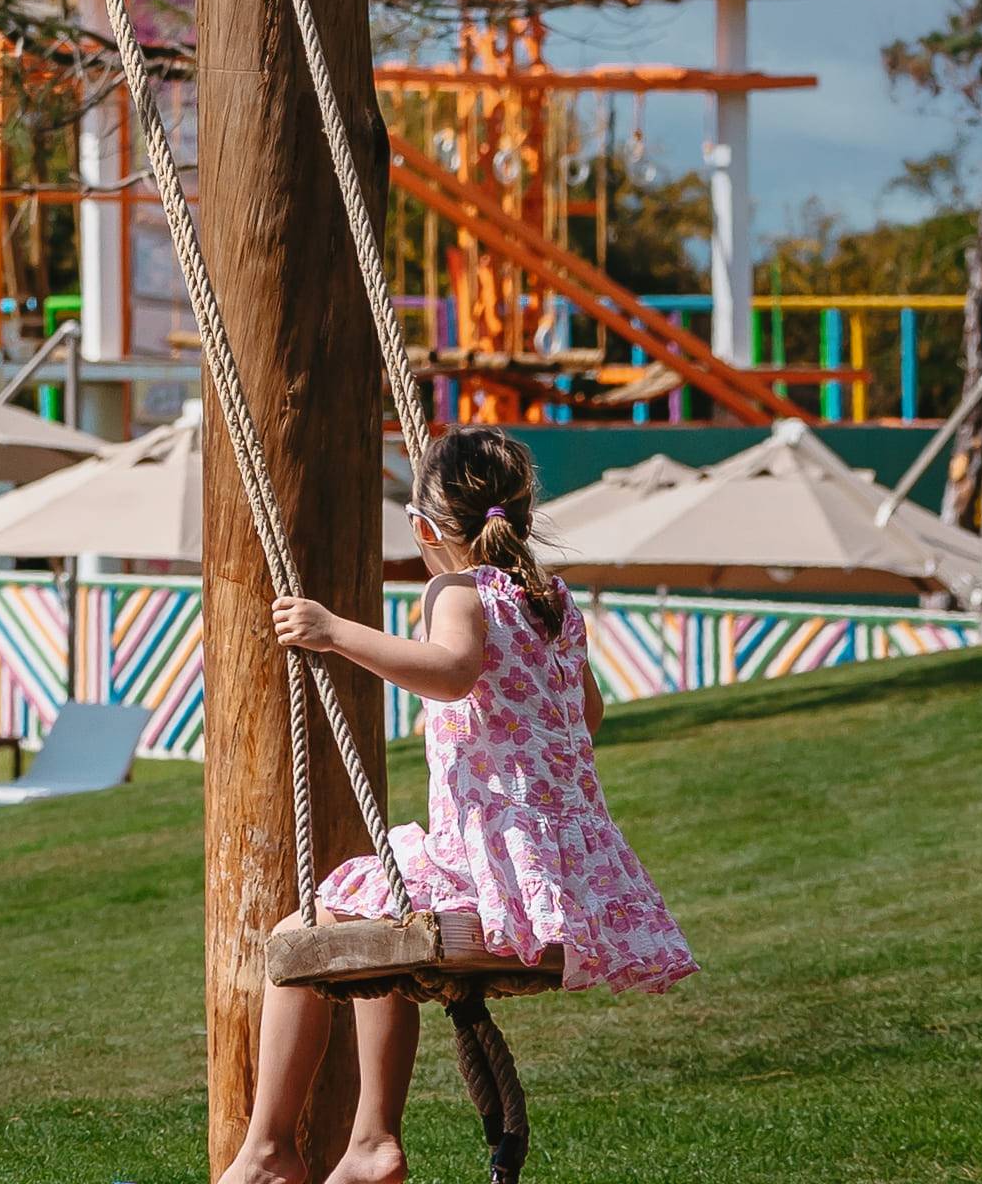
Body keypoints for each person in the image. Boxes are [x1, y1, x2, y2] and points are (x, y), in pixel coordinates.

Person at [219, 426, 692, 1184]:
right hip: (557, 873)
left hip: (489, 866)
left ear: (424, 530)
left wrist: (335, 632)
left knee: (298, 934)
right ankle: (371, 1140)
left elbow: (451, 671)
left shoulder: (454, 589)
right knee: (379, 911)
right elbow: (587, 713)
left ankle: (270, 1149)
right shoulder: (551, 600)